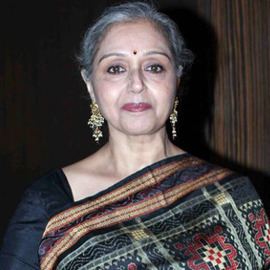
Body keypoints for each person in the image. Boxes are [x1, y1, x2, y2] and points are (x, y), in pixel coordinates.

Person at [1, 2, 270, 269]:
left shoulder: (230, 194)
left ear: (177, 79)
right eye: (116, 68)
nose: (137, 84)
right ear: (90, 84)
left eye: (154, 67)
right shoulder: (48, 203)